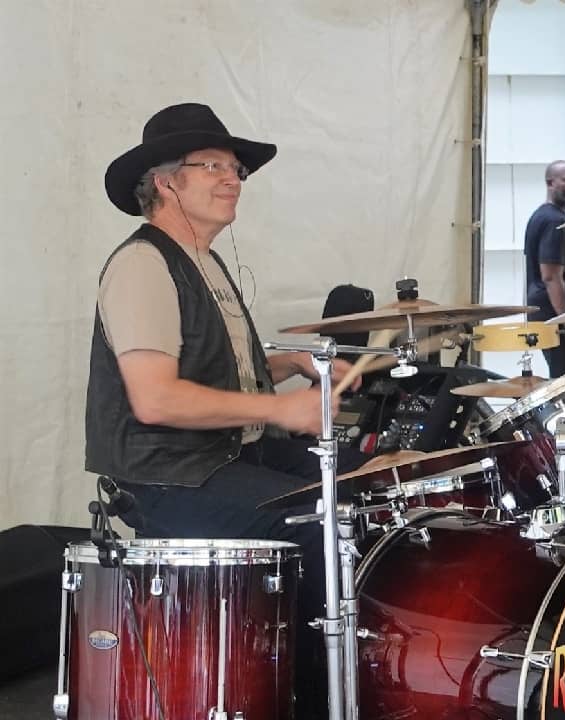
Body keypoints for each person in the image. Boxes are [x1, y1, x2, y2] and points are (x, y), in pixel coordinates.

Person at [87, 102, 365, 715]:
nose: (231, 179)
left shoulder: (203, 262)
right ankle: (317, 698)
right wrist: (282, 410)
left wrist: (285, 366)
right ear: (164, 182)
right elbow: (156, 398)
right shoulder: (143, 264)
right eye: (211, 165)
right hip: (167, 475)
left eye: (236, 168)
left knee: (364, 489)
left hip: (218, 453)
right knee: (324, 524)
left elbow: (212, 373)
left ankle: (365, 670)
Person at [524, 160, 565, 379]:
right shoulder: (553, 220)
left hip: (541, 310)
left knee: (560, 373)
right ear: (550, 183)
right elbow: (551, 276)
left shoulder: (542, 215)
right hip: (551, 311)